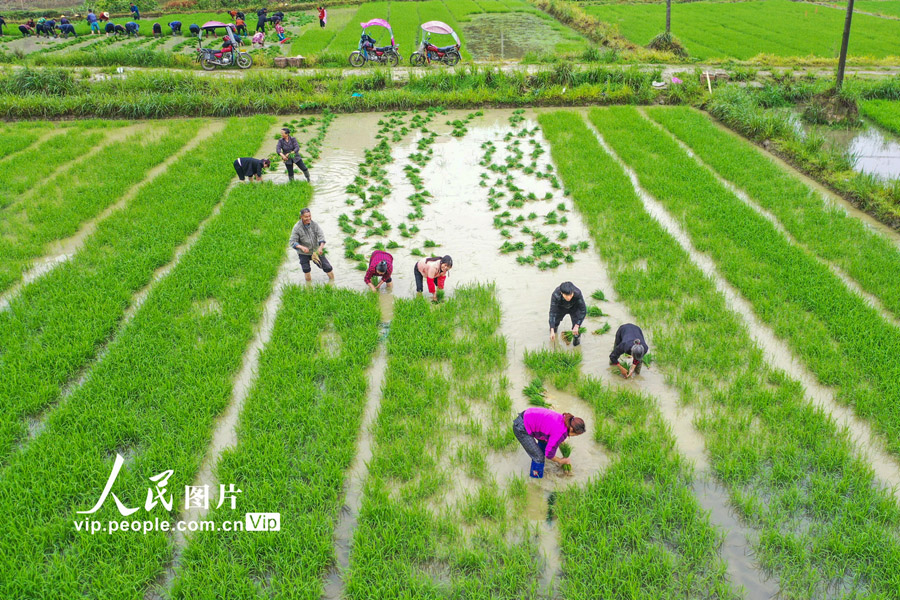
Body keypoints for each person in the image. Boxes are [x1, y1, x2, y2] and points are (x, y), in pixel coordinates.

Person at [513, 407, 585, 478]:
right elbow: (549, 454)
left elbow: (553, 431)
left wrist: (559, 442)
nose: (574, 436)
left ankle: (539, 453)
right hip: (522, 427)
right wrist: (560, 461)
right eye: (575, 434)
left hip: (529, 415)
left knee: (545, 443)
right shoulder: (560, 433)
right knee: (539, 458)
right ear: (571, 429)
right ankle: (535, 478)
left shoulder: (565, 419)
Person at [289, 208, 334, 282]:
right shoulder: (297, 228)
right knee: (306, 270)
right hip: (303, 253)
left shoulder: (314, 224)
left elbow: (321, 236)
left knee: (328, 267)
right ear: (301, 217)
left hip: (316, 250)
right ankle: (309, 288)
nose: (308, 218)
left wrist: (321, 247)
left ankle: (333, 283)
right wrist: (302, 247)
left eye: (309, 216)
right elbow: (292, 242)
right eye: (306, 217)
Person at [548, 281, 586, 347]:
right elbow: (552, 312)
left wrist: (577, 325)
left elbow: (583, 310)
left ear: (573, 292)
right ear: (561, 293)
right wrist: (552, 330)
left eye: (571, 295)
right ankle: (554, 333)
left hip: (574, 308)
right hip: (560, 308)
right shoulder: (556, 295)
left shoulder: (577, 293)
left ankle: (576, 347)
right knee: (555, 324)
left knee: (576, 332)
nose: (569, 298)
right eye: (566, 295)